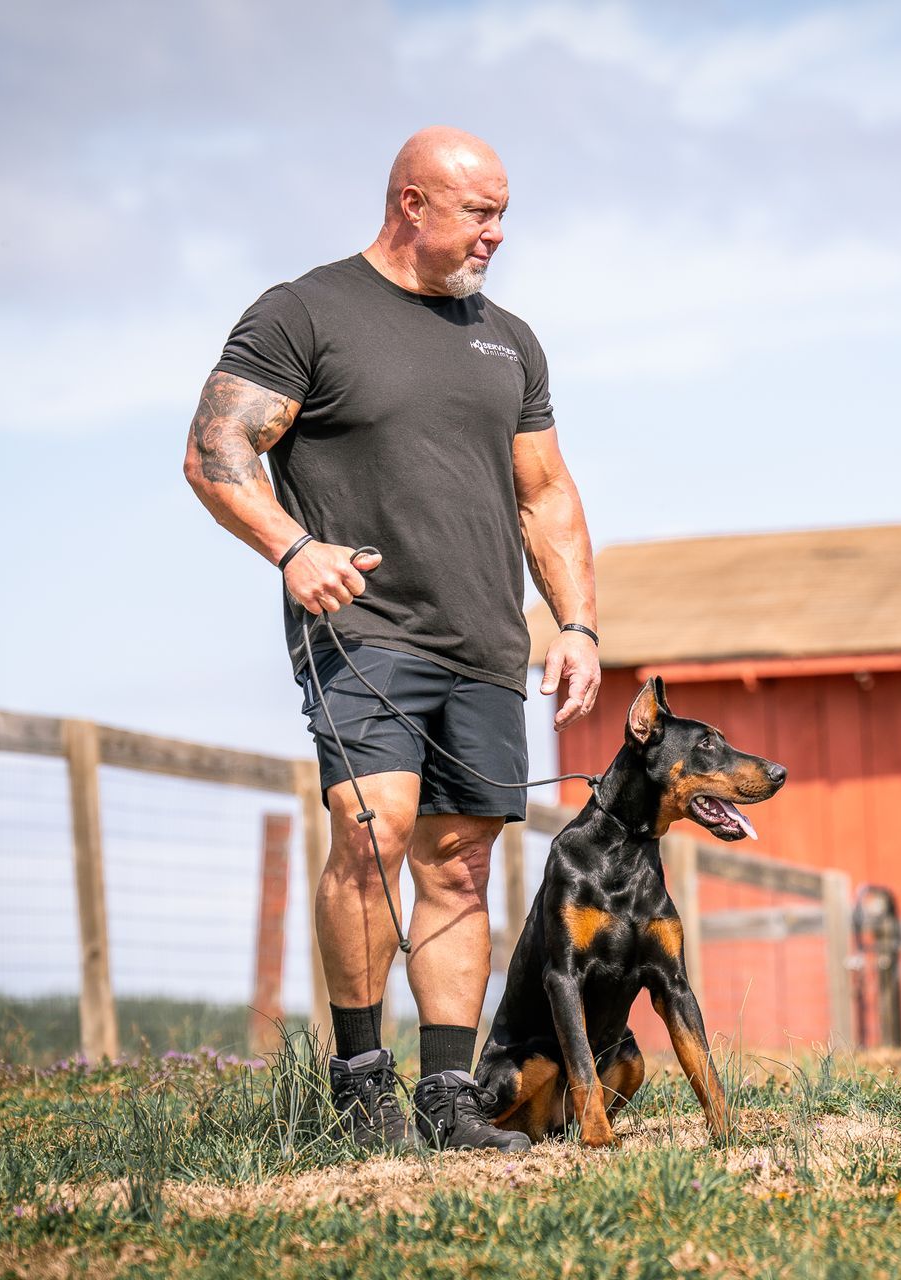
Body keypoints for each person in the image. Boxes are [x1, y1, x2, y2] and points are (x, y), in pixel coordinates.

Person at [182, 126, 601, 1153]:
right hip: (362, 624)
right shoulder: (308, 312)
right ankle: (360, 1082)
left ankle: (450, 1099)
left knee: (458, 864)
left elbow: (544, 493)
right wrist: (291, 548)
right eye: (479, 212)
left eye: (505, 212)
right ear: (411, 202)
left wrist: (578, 621)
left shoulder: (510, 339)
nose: (497, 234)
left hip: (484, 640)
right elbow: (215, 446)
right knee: (372, 829)